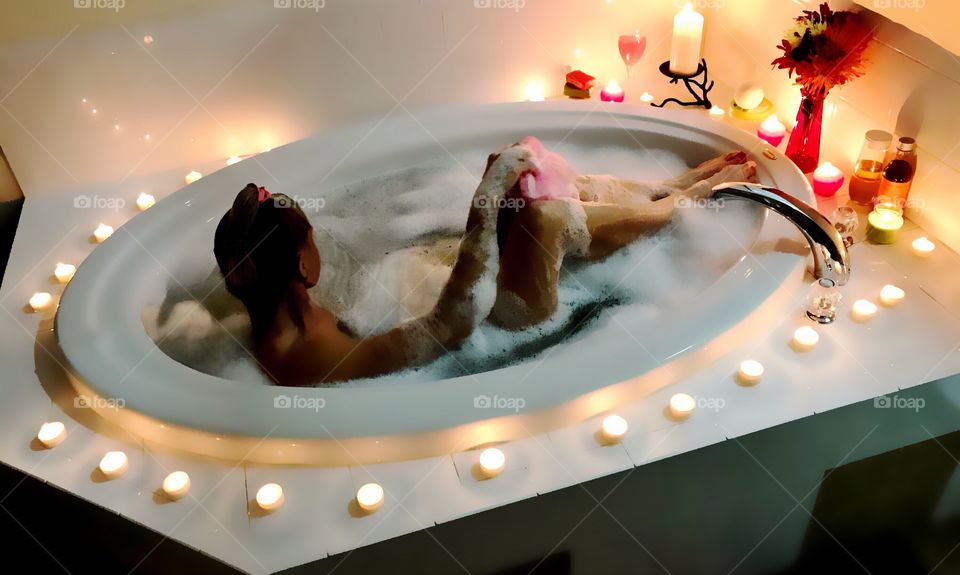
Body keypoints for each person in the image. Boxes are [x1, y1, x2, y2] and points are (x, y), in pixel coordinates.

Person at [214, 138, 757, 385]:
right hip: (500, 323)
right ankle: (688, 208)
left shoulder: (278, 311)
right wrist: (485, 196)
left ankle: (669, 190)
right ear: (302, 267)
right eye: (312, 241)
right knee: (541, 218)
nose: (320, 248)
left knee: (527, 193)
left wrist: (498, 197)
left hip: (442, 288)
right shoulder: (309, 358)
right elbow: (449, 327)